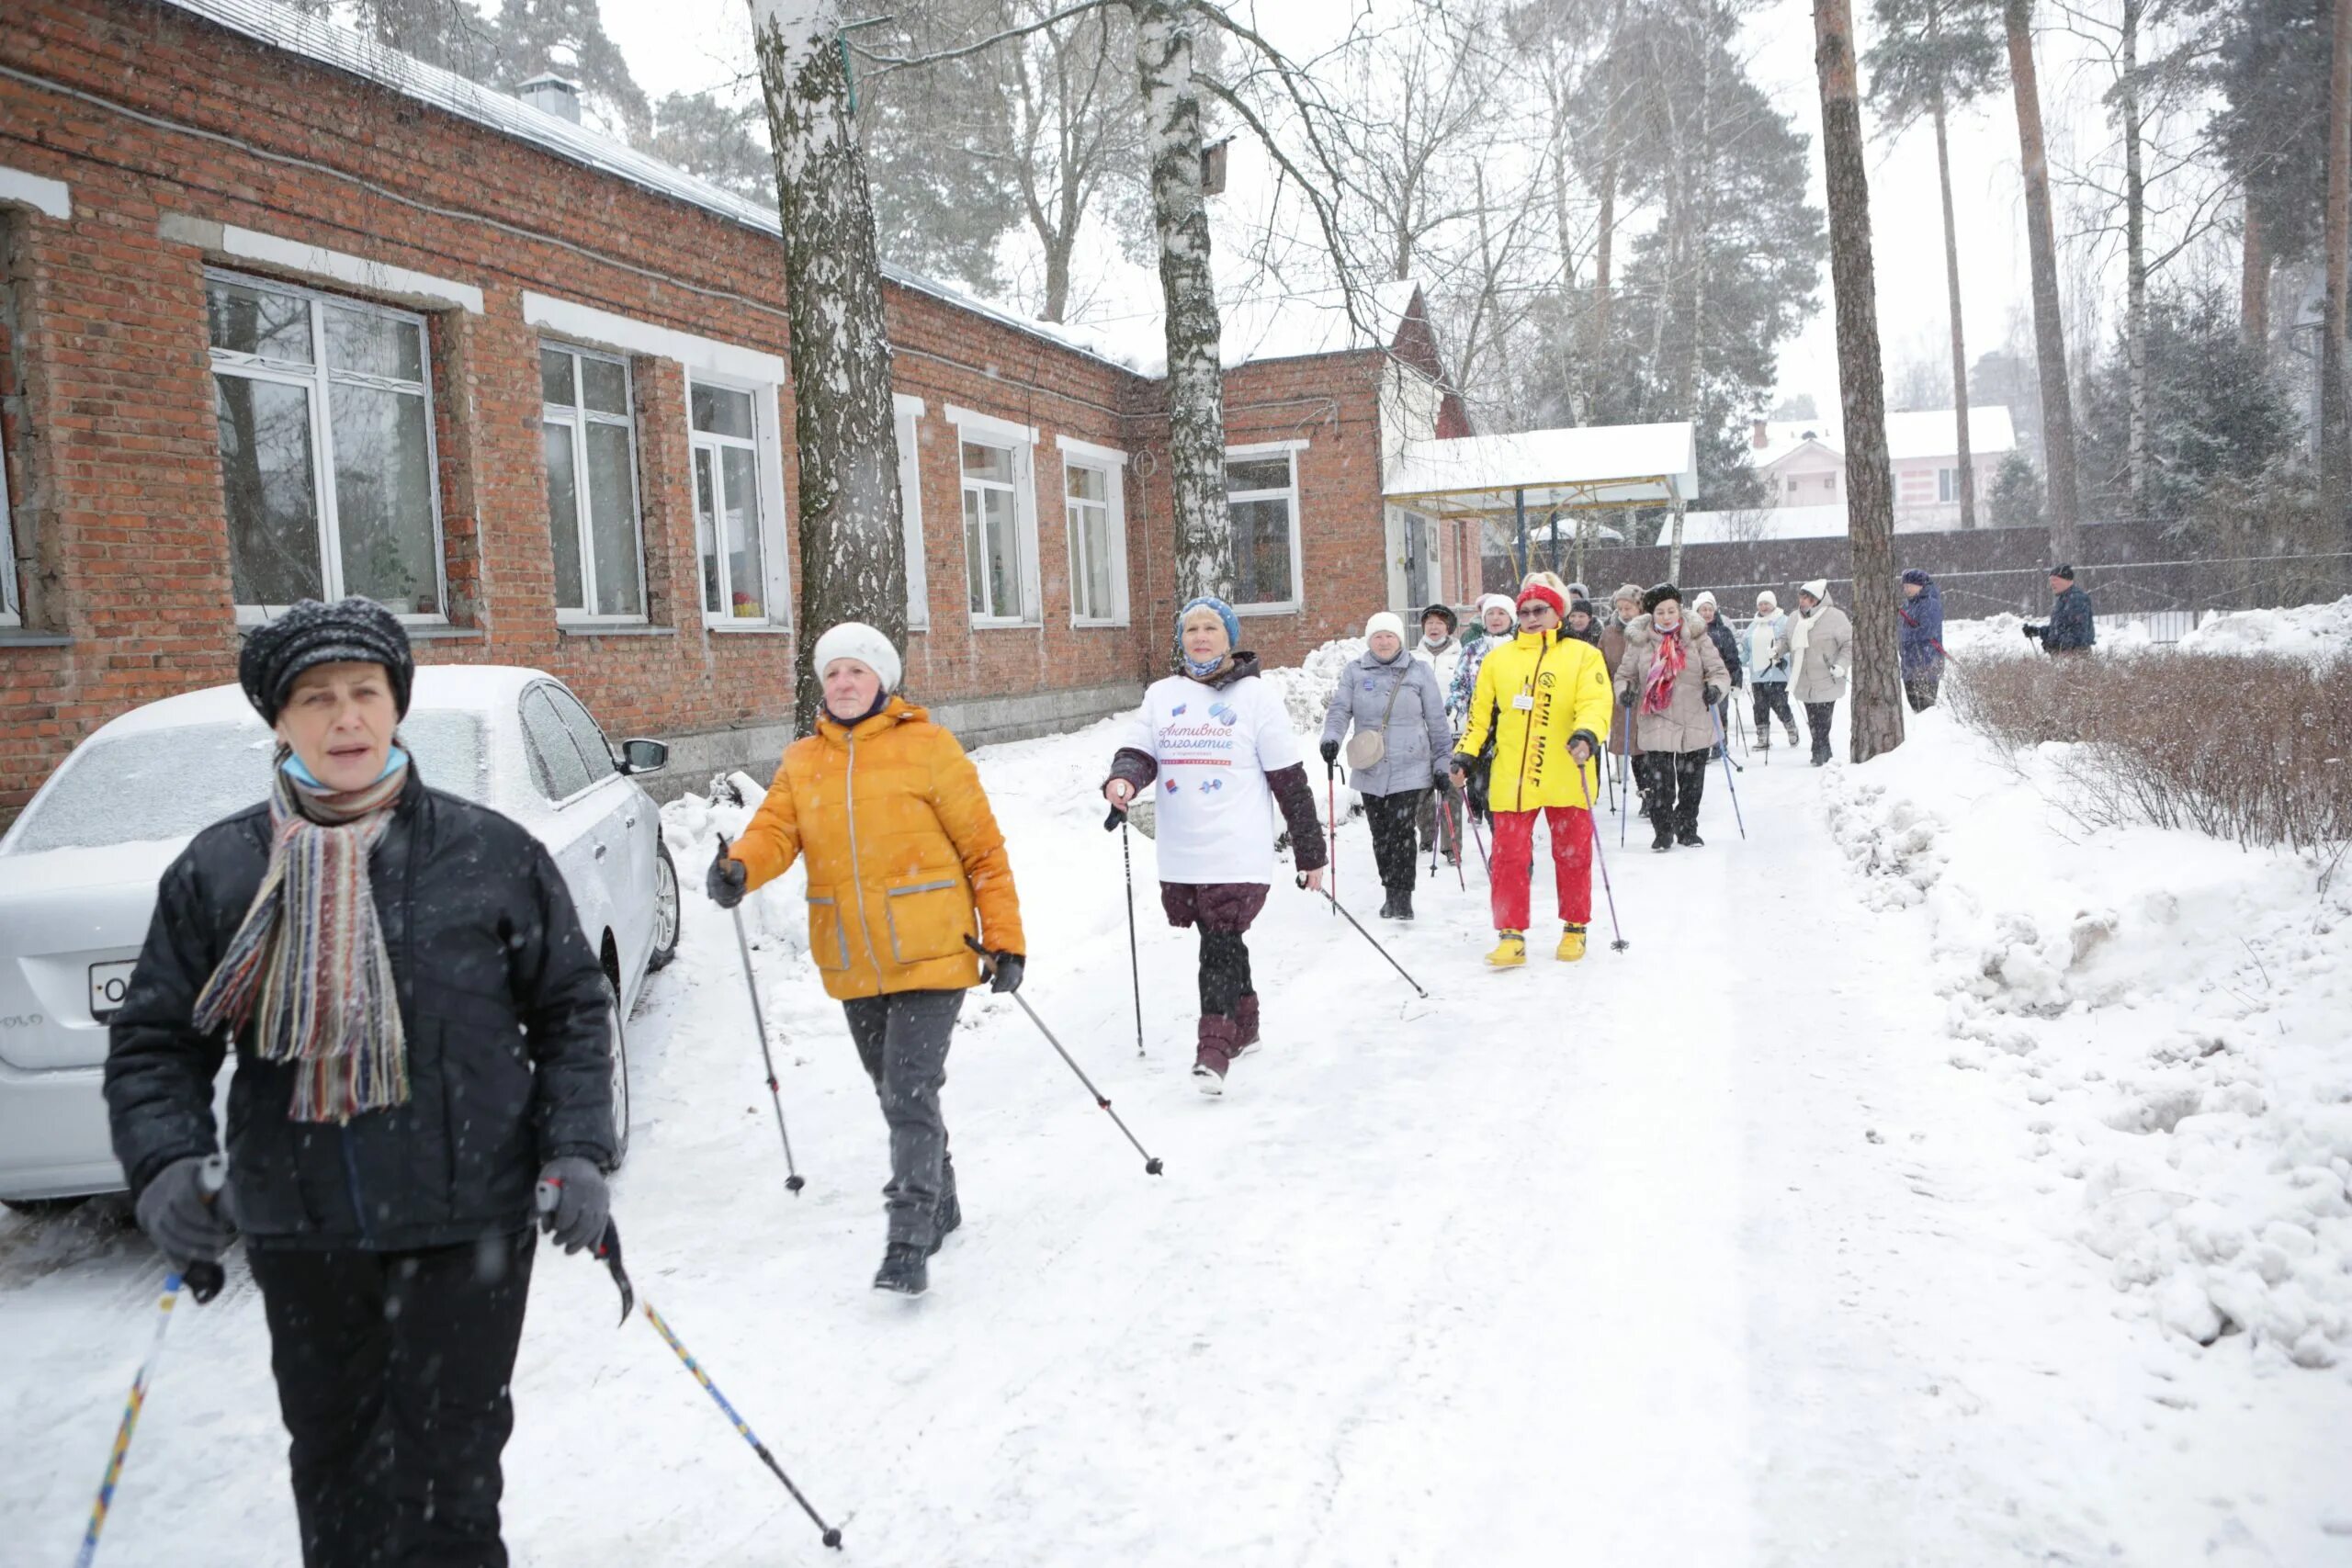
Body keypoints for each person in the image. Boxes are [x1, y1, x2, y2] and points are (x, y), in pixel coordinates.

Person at [105, 598, 616, 1568]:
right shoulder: (222, 868)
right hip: (307, 1232)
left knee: (452, 1477)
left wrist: (578, 1148)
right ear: (280, 721)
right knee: (336, 1474)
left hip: (467, 1222)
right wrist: (167, 1159)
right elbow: (156, 1042)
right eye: (316, 699)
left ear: (395, 707)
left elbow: (570, 1010)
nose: (345, 718)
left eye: (364, 694)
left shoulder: (490, 851)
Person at [711, 623, 1023, 1297]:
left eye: (856, 671)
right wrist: (739, 866)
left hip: (934, 951)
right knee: (895, 1090)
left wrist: (1006, 940)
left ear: (883, 679)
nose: (844, 684)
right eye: (832, 674)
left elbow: (984, 851)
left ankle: (908, 1236)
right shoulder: (802, 762)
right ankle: (940, 1195)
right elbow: (775, 833)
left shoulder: (930, 748)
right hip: (854, 957)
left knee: (910, 1085)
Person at [1104, 598, 1327, 1095]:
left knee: (1221, 939)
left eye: (1210, 628)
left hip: (1237, 845)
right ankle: (1245, 1027)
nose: (1200, 637)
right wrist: (1123, 781)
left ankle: (1215, 1047)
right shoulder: (1162, 695)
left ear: (1229, 637)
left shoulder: (1255, 697)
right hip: (1183, 846)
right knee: (1217, 936)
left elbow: (1288, 780)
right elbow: (1140, 751)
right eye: (1191, 630)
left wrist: (1311, 852)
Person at [1452, 579, 1613, 966]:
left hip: (1566, 770)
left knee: (1572, 855)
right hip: (1513, 775)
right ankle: (1511, 935)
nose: (1531, 618)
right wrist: (1465, 755)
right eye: (1524, 612)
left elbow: (1595, 703)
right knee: (1508, 857)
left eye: (1540, 610)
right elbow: (1480, 720)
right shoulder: (1498, 660)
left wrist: (1587, 735)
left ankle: (1575, 927)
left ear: (1558, 612)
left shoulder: (1583, 656)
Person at [1323, 612, 1453, 919]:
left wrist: (1442, 762)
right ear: (1370, 640)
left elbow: (1437, 722)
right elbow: (1340, 709)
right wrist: (1331, 738)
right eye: (1378, 636)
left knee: (1401, 832)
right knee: (1380, 834)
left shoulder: (1418, 671)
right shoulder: (1355, 672)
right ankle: (1389, 889)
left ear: (1400, 639)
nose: (1384, 642)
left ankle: (1402, 896)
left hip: (1411, 766)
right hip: (1370, 766)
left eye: (1390, 636)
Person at [1615, 584, 1732, 851]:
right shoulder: (1640, 641)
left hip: (1694, 719)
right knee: (1660, 784)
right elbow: (1625, 676)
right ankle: (1663, 830)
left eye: (1671, 611)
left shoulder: (1698, 638)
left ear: (1679, 610)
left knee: (1692, 783)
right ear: (1652, 614)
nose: (1667, 617)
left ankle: (1688, 828)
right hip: (1657, 719)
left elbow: (1718, 671)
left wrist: (1716, 688)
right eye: (1660, 612)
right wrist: (1625, 692)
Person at [1448, 593, 1518, 827]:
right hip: (1481, 732)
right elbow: (1459, 685)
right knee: (1488, 797)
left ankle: (1518, 852)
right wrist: (1454, 705)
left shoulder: (1520, 648)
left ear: (1512, 618)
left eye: (1501, 613)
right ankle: (1500, 849)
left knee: (1515, 799)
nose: (1495, 618)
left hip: (1514, 733)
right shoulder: (1472, 649)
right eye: (1490, 613)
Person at [1412, 602, 1466, 864]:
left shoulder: (1461, 657)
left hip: (1453, 733)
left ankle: (1451, 845)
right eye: (1429, 622)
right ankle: (1427, 836)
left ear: (1449, 628)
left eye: (1440, 623)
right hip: (1420, 734)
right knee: (1421, 789)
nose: (1434, 627)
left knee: (1451, 789)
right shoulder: (1412, 659)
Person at [1777, 579, 1853, 766]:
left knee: (1823, 719)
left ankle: (1821, 751)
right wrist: (1776, 650)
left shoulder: (1835, 617)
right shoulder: (1794, 617)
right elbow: (1786, 639)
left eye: (1807, 598)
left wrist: (1841, 665)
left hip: (1828, 676)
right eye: (1801, 597)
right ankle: (1819, 749)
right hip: (1804, 678)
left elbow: (1849, 644)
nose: (1802, 601)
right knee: (1813, 717)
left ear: (1817, 599)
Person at [1599, 583, 1652, 820]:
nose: (1624, 612)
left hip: (1652, 699)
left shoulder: (1652, 630)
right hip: (1624, 700)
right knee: (1636, 751)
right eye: (1620, 608)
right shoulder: (1610, 633)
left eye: (1628, 607)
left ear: (1639, 607)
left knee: (1655, 749)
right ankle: (1646, 795)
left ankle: (1659, 792)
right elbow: (1600, 663)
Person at [1746, 591, 1800, 753]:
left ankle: (1791, 727)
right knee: (1760, 707)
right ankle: (1763, 738)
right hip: (1757, 675)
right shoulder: (1754, 624)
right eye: (1760, 604)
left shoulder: (1783, 621)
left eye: (1766, 603)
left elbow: (1792, 643)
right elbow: (1746, 646)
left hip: (1778, 673)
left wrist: (1785, 657)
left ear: (1774, 604)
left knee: (1780, 704)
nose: (1763, 607)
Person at [1692, 590, 1744, 756]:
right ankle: (1702, 745)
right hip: (1697, 681)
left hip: (1720, 680)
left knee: (1720, 712)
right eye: (1703, 609)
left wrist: (1736, 681)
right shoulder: (1690, 633)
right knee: (1700, 714)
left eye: (1709, 609)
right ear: (1697, 612)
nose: (1707, 613)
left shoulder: (1723, 632)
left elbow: (1733, 659)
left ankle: (1720, 743)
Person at [1898, 568, 1947, 710]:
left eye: (1909, 586)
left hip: (1926, 663)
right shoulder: (1910, 605)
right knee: (1915, 706)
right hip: (1911, 665)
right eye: (1904, 586)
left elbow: (1927, 630)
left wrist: (1905, 637)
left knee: (1924, 708)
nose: (1905, 589)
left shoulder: (1930, 604)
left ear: (1920, 585)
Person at [2024, 564, 2095, 654]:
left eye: (2055, 580)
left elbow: (2079, 633)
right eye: (2050, 580)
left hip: (2075, 655)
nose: (2052, 584)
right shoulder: (2064, 599)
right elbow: (2059, 628)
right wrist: (2037, 631)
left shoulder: (2076, 599)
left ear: (2067, 580)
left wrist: (2055, 644)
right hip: (2065, 654)